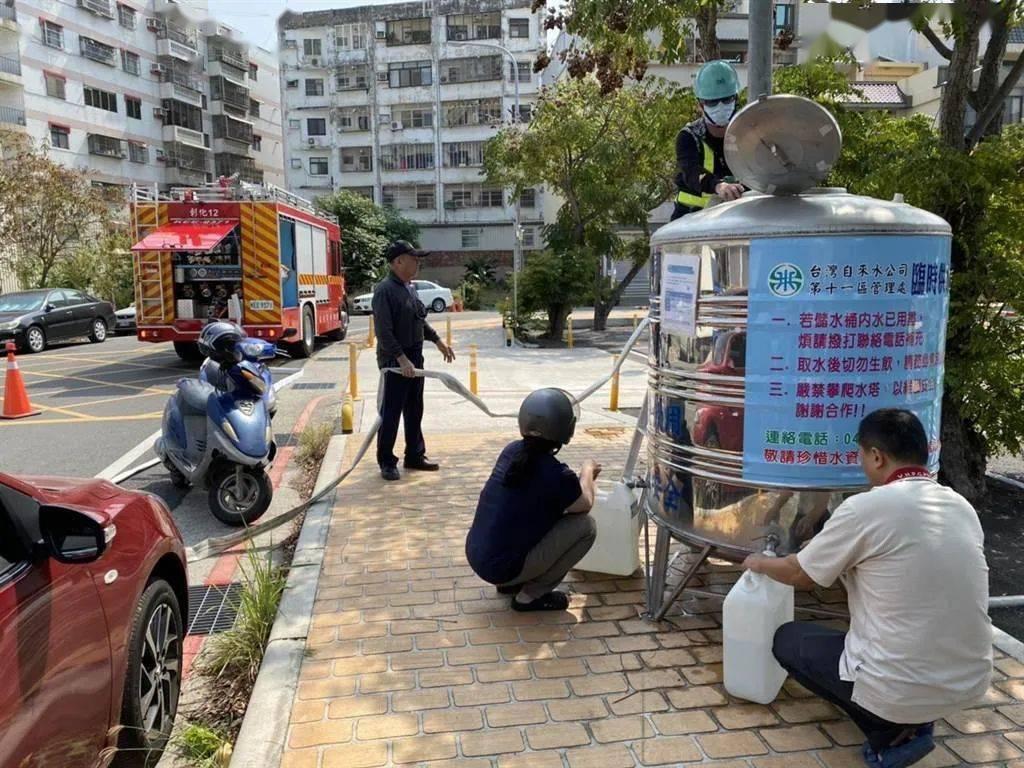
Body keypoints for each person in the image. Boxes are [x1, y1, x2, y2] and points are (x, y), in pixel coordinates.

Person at [743, 409, 992, 768]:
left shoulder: (866, 507)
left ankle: (889, 735)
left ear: (877, 456)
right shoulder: (960, 506)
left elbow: (800, 574)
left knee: (788, 640)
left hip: (897, 684)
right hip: (969, 679)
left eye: (861, 455)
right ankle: (915, 715)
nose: (862, 464)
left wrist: (759, 563)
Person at [465, 388, 600, 612]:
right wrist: (588, 470)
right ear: (566, 428)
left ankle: (510, 583)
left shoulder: (511, 452)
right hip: (502, 566)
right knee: (586, 527)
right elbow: (585, 503)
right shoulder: (557, 475)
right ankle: (530, 596)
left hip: (478, 554)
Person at [372, 240, 455, 481]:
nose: (417, 262)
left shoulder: (409, 287)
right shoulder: (384, 291)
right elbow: (384, 332)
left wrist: (438, 341)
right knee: (391, 413)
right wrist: (401, 360)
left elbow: (419, 320)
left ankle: (415, 455)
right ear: (398, 261)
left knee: (414, 409)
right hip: (395, 363)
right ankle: (387, 461)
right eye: (413, 258)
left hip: (414, 358)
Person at [672, 59, 746, 221]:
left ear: (735, 98)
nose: (720, 106)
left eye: (726, 100)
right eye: (712, 102)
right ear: (700, 104)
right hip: (691, 222)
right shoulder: (689, 137)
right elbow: (691, 172)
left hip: (737, 223)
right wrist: (718, 186)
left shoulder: (749, 133)